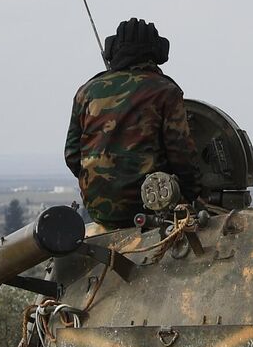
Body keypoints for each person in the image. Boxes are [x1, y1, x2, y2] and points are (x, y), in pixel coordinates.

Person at [64, 18, 203, 228]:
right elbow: (181, 155)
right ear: (157, 53)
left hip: (98, 209)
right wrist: (196, 196)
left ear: (112, 50)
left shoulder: (87, 91)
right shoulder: (165, 91)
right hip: (151, 206)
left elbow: (72, 155)